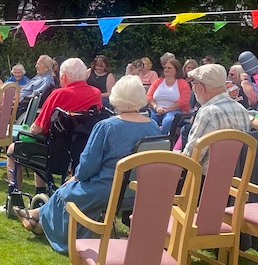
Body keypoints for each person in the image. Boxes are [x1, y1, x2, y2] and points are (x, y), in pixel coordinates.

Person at [12, 76, 159, 250]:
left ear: (116, 96)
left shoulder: (107, 127)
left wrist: (75, 177)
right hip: (138, 191)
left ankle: (39, 221)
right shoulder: (153, 126)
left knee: (66, 191)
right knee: (69, 188)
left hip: (106, 190)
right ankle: (35, 216)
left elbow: (87, 166)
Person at [5, 57, 101, 191]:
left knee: (13, 149)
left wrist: (31, 128)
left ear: (64, 77)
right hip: (82, 152)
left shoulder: (58, 94)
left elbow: (37, 128)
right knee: (45, 143)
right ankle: (40, 192)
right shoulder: (96, 94)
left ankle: (15, 194)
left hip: (56, 153)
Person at [183, 64, 252, 173]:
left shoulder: (209, 112)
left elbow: (191, 157)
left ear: (202, 87)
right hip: (233, 178)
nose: (192, 88)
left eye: (193, 83)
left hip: (204, 180)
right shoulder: (241, 109)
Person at [146, 58, 191, 135]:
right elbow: (149, 96)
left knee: (168, 121)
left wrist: (167, 110)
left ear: (176, 70)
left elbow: (184, 101)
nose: (166, 70)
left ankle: (162, 139)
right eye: (165, 68)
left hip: (175, 111)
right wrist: (156, 107)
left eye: (169, 68)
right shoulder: (157, 82)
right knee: (150, 121)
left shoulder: (183, 84)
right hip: (156, 110)